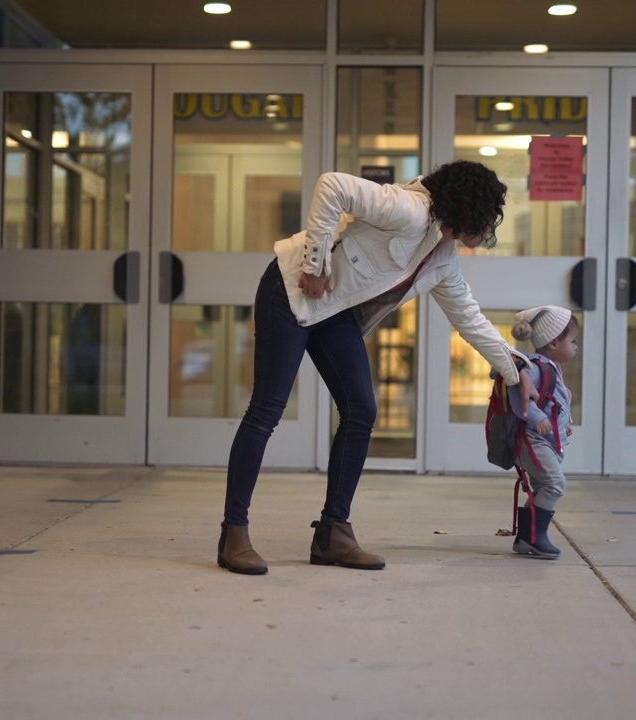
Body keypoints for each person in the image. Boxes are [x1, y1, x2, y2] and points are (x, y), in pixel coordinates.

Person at [216, 160, 536, 575]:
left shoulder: (440, 258)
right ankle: (233, 533)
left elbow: (469, 318)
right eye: (485, 218)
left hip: (333, 312)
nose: (486, 230)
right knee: (268, 408)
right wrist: (315, 265)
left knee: (361, 410)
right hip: (292, 290)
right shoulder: (408, 209)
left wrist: (516, 369)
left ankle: (333, 532)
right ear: (466, 208)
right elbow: (332, 186)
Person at [506, 306, 579, 559]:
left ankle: (526, 540)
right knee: (555, 484)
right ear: (553, 342)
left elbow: (554, 403)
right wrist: (536, 417)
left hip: (546, 441)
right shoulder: (535, 366)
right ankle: (536, 537)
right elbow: (518, 394)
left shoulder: (550, 366)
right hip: (533, 440)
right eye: (573, 341)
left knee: (542, 488)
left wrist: (563, 425)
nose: (575, 347)